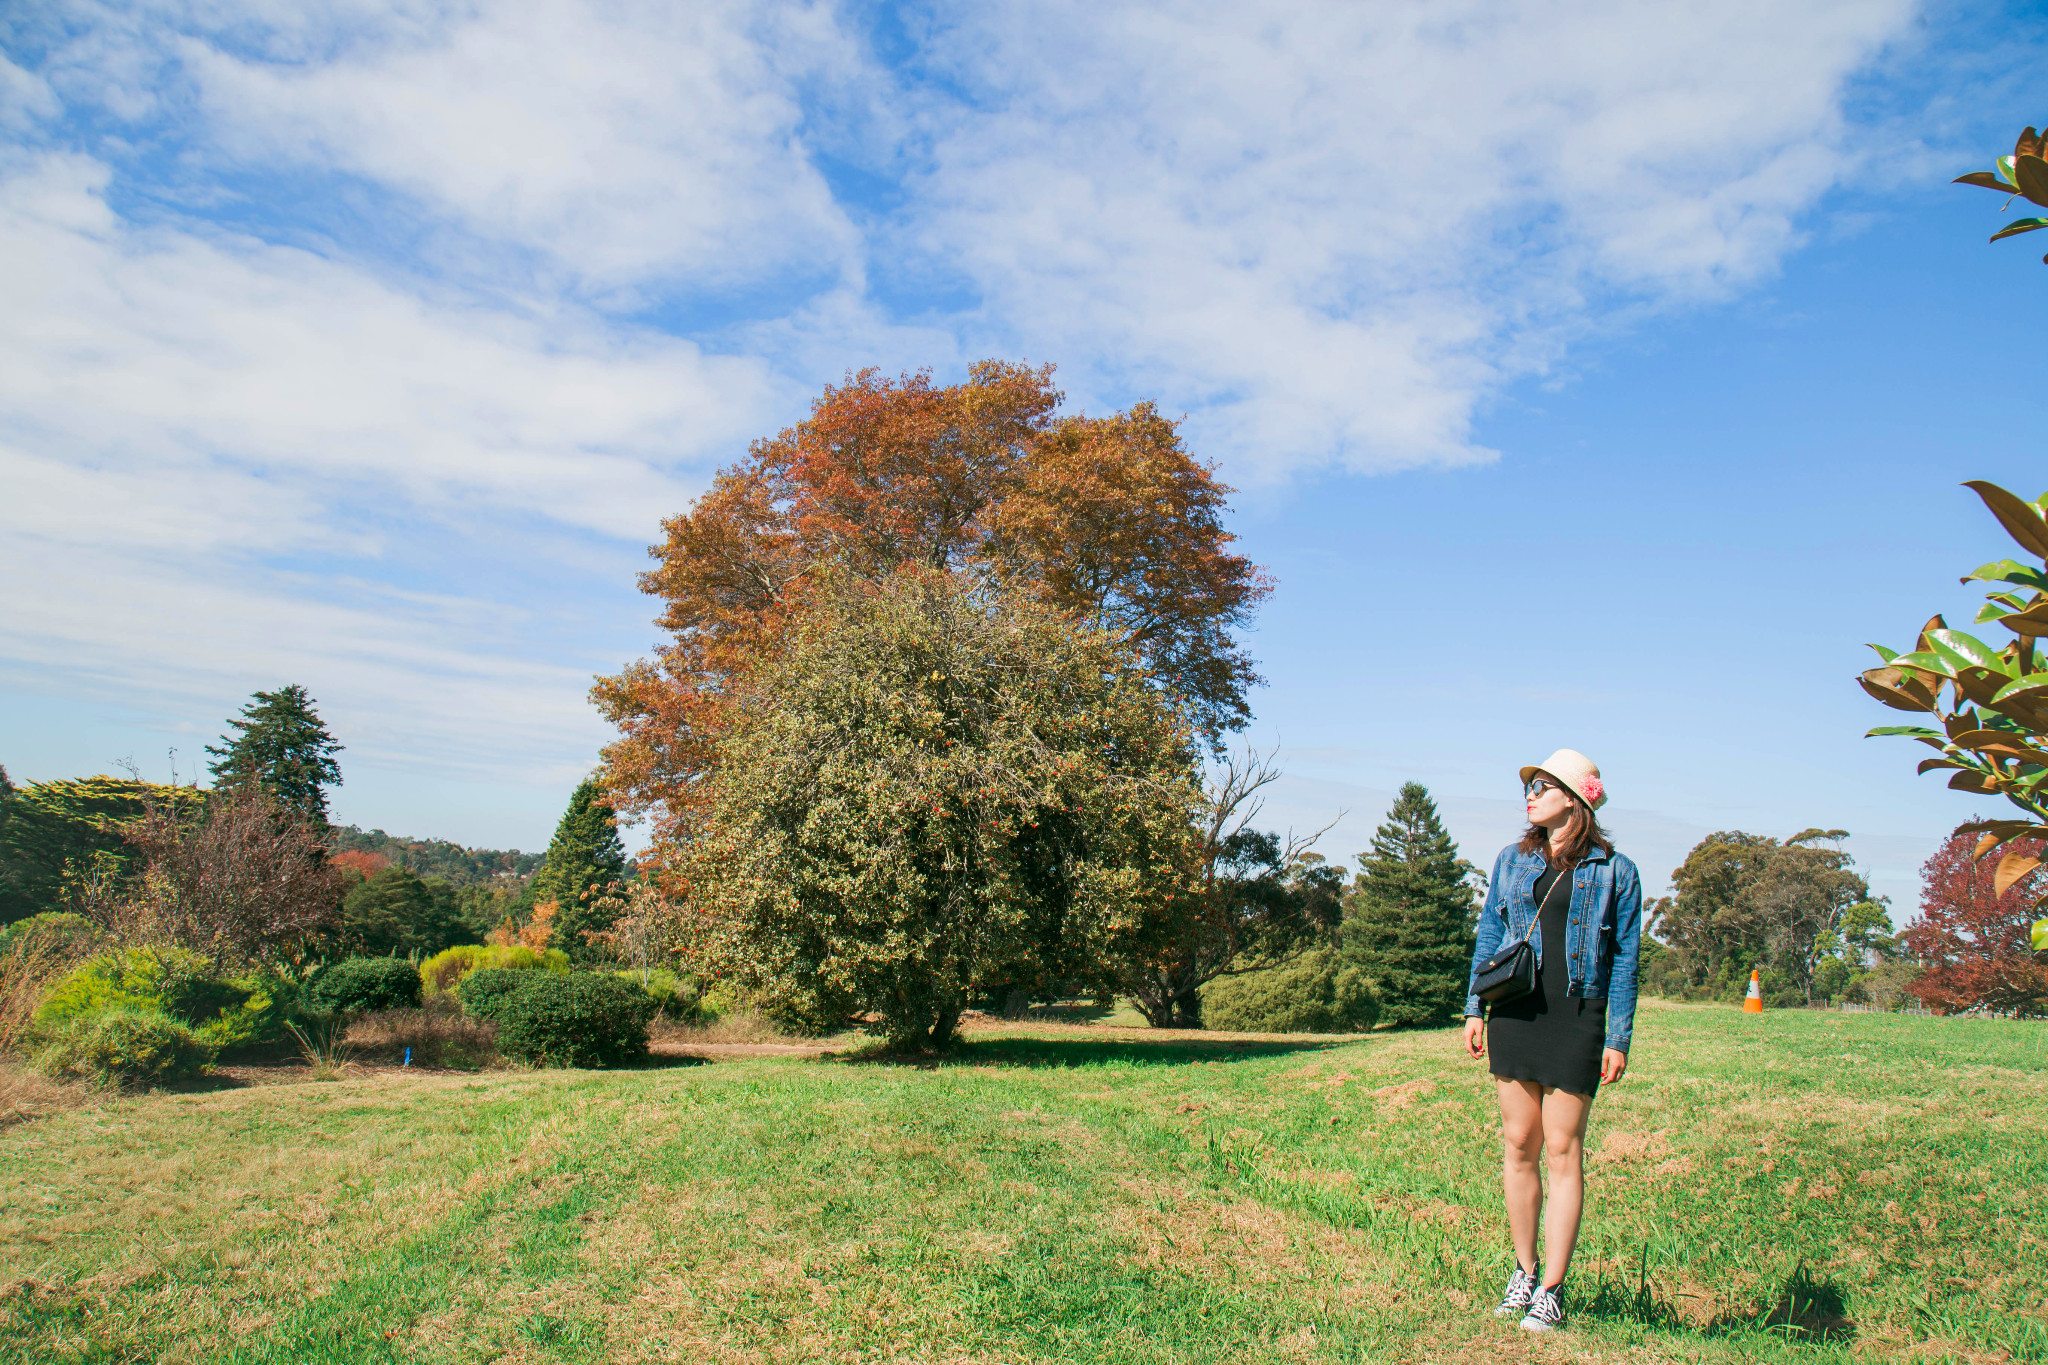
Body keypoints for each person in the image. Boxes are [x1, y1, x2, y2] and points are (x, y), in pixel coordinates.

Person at [1461, 748, 1641, 1333]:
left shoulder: (1616, 871)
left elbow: (1625, 962)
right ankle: (1522, 1270)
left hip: (1577, 1014)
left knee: (1563, 1150)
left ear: (1574, 797)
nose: (1530, 794)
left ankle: (1553, 1290)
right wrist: (1474, 1008)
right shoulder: (1512, 860)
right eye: (1529, 786)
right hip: (1515, 1010)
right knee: (1519, 1143)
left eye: (1543, 785)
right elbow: (1491, 930)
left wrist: (1617, 1036)